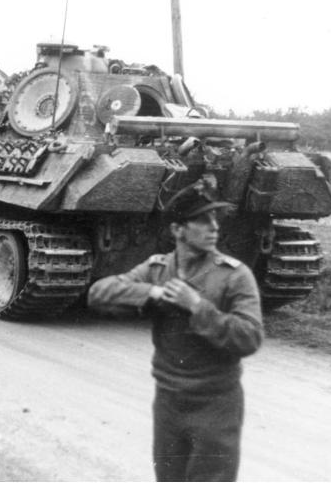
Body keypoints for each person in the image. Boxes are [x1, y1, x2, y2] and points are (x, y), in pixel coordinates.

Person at [87, 182, 263, 482]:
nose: (214, 227)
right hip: (169, 401)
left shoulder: (234, 276)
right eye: (203, 220)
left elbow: (250, 337)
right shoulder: (157, 269)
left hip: (216, 404)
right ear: (178, 230)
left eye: (215, 219)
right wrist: (153, 293)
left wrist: (197, 306)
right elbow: (99, 294)